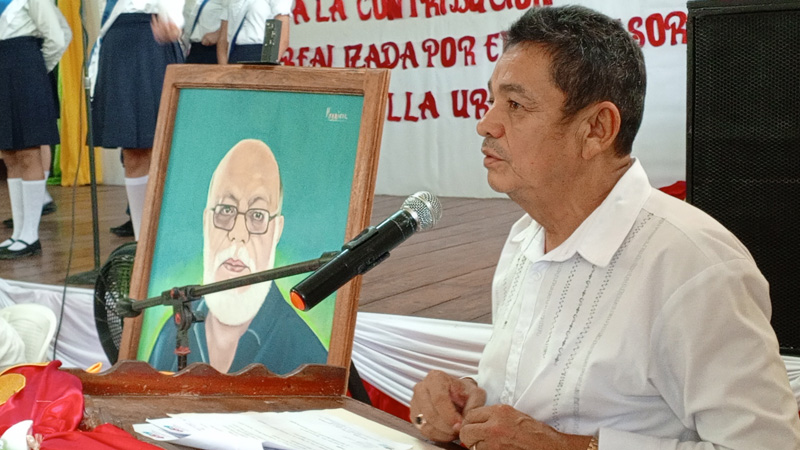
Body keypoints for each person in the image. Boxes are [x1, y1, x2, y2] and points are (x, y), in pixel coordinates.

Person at [408, 6, 800, 450]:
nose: (486, 123)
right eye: (493, 99)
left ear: (596, 128)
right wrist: (462, 400)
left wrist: (570, 448)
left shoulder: (697, 267)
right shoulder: (525, 237)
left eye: (515, 105)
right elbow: (525, 403)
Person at [149, 139, 328, 374]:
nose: (238, 234)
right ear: (205, 223)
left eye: (257, 215)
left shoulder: (305, 354)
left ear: (277, 231)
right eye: (226, 210)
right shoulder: (175, 330)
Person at [90, 0, 185, 241]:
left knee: (160, 144)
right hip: (116, 42)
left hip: (151, 37)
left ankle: (168, 237)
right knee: (132, 149)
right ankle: (141, 239)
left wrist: (174, 20)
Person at [0, 0, 70, 259]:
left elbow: (57, 36)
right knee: (9, 154)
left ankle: (31, 235)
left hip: (25, 65)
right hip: (4, 67)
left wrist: (36, 73)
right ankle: (18, 233)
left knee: (29, 152)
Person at [217, 0, 291, 64]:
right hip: (234, 53)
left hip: (261, 53)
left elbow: (282, 37)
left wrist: (267, 67)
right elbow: (223, 39)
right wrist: (224, 68)